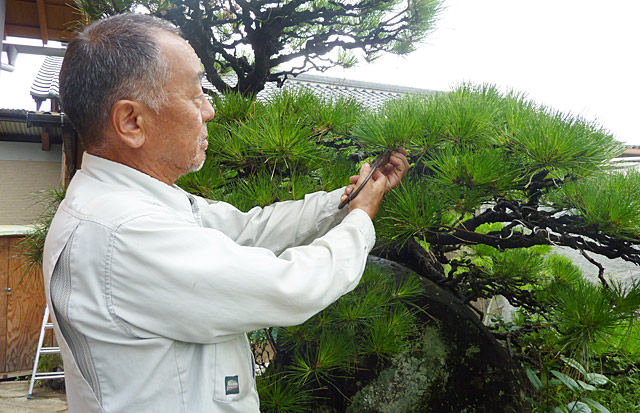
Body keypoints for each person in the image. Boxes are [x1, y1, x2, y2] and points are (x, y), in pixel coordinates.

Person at [43, 13, 409, 413]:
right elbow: (292, 284)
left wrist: (341, 201)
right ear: (132, 122)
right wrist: (360, 218)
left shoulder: (129, 202)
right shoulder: (125, 231)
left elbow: (248, 228)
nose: (209, 111)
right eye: (195, 93)